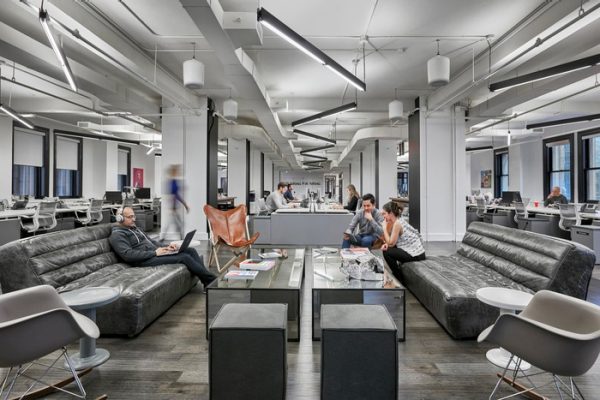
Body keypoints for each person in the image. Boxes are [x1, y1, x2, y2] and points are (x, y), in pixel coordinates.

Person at [109, 207, 217, 288]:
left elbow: (151, 242)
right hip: (143, 260)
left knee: (190, 250)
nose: (134, 219)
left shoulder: (135, 228)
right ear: (120, 218)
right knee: (184, 257)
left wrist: (167, 246)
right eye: (130, 217)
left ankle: (206, 282)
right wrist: (155, 253)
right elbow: (128, 255)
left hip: (154, 253)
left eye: (134, 216)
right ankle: (212, 281)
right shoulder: (117, 235)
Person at [379, 202, 425, 279]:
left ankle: (398, 277)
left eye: (384, 214)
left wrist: (384, 228)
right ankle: (398, 274)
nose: (383, 217)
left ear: (390, 213)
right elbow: (391, 243)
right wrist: (387, 244)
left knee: (386, 252)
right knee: (388, 248)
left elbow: (391, 243)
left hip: (416, 255)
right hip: (416, 252)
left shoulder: (397, 223)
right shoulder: (398, 220)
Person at [163, 164, 189, 239]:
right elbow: (175, 195)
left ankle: (163, 238)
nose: (178, 172)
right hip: (173, 206)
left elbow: (175, 194)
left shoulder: (174, 181)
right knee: (178, 224)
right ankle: (181, 239)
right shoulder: (172, 182)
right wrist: (185, 205)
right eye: (176, 171)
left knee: (173, 223)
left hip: (174, 206)